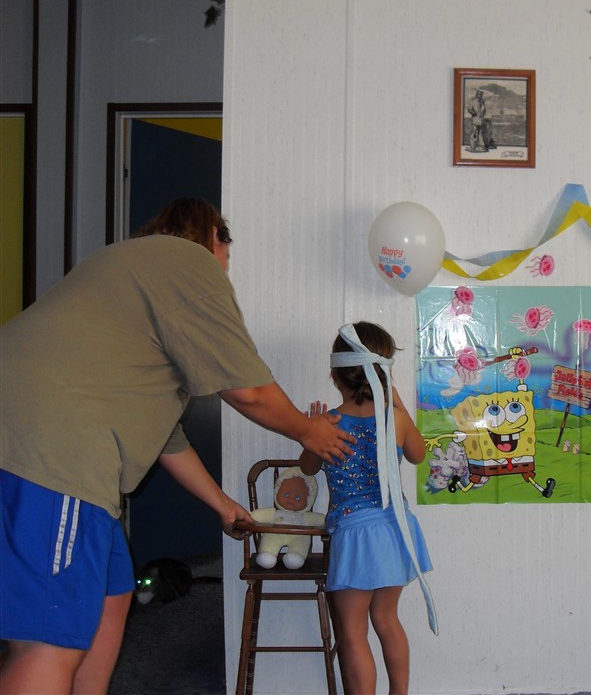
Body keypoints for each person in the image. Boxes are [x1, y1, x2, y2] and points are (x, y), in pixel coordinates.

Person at [0, 198, 355, 694]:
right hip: (48, 452)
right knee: (48, 640)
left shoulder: (128, 267)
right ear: (214, 238)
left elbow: (165, 436)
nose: (225, 268)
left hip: (41, 444)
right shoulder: (188, 261)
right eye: (226, 254)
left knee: (111, 596)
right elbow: (247, 388)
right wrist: (306, 429)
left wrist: (223, 505)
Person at [299, 322, 437, 695]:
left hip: (355, 534)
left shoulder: (328, 423)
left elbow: (307, 469)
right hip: (395, 530)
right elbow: (418, 454)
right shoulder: (396, 417)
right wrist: (398, 405)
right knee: (387, 619)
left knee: (352, 631)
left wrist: (310, 431)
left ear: (335, 374)